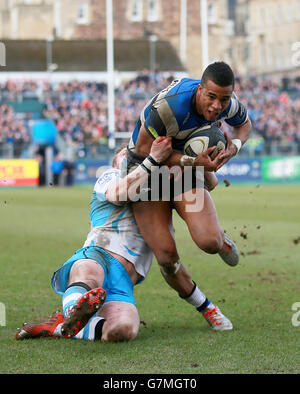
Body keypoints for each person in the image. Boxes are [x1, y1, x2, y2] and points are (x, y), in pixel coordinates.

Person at [15, 137, 233, 343]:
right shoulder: (110, 177)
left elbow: (207, 183)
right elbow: (118, 195)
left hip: (123, 284)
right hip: (99, 254)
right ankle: (73, 311)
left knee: (123, 330)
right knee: (89, 274)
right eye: (126, 158)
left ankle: (59, 327)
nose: (132, 162)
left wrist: (194, 157)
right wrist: (152, 161)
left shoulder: (160, 190)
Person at [122, 61, 251, 302]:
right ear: (200, 89)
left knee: (209, 242)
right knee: (166, 255)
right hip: (149, 170)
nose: (216, 106)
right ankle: (205, 306)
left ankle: (221, 239)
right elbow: (142, 150)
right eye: (211, 97)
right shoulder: (168, 109)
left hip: (185, 166)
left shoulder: (227, 105)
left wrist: (235, 146)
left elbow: (244, 125)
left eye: (223, 99)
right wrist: (194, 163)